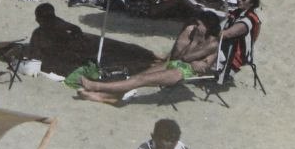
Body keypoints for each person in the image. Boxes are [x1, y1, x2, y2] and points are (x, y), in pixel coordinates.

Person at [75, 14, 234, 104]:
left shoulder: (212, 42)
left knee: (141, 80)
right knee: (138, 76)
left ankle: (96, 87)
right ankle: (111, 98)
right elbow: (179, 56)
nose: (196, 27)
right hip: (176, 63)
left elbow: (186, 57)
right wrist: (193, 54)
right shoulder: (192, 31)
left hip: (183, 72)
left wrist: (195, 43)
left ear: (207, 26)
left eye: (199, 24)